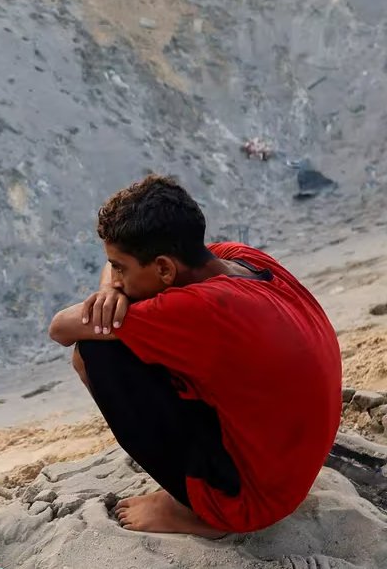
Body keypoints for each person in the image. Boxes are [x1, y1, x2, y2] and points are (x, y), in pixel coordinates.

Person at [48, 175, 340, 538]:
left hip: (252, 501)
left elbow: (61, 328)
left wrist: (109, 299)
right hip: (289, 469)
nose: (116, 277)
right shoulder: (240, 258)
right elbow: (118, 271)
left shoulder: (196, 308)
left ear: (165, 269)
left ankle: (202, 513)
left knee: (95, 349)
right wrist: (111, 288)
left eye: (121, 268)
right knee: (120, 333)